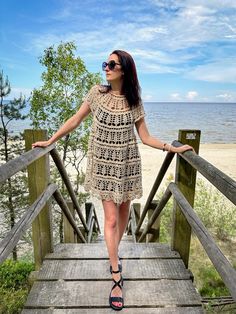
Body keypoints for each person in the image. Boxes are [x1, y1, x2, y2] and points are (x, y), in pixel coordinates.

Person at [32, 50, 193, 311]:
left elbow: (145, 137)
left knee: (122, 215)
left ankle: (113, 255)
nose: (106, 67)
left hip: (127, 165)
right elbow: (75, 120)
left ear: (125, 70)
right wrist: (51, 140)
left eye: (112, 64)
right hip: (104, 166)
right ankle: (116, 273)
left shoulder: (134, 101)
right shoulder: (97, 93)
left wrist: (170, 147)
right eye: (105, 63)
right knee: (110, 219)